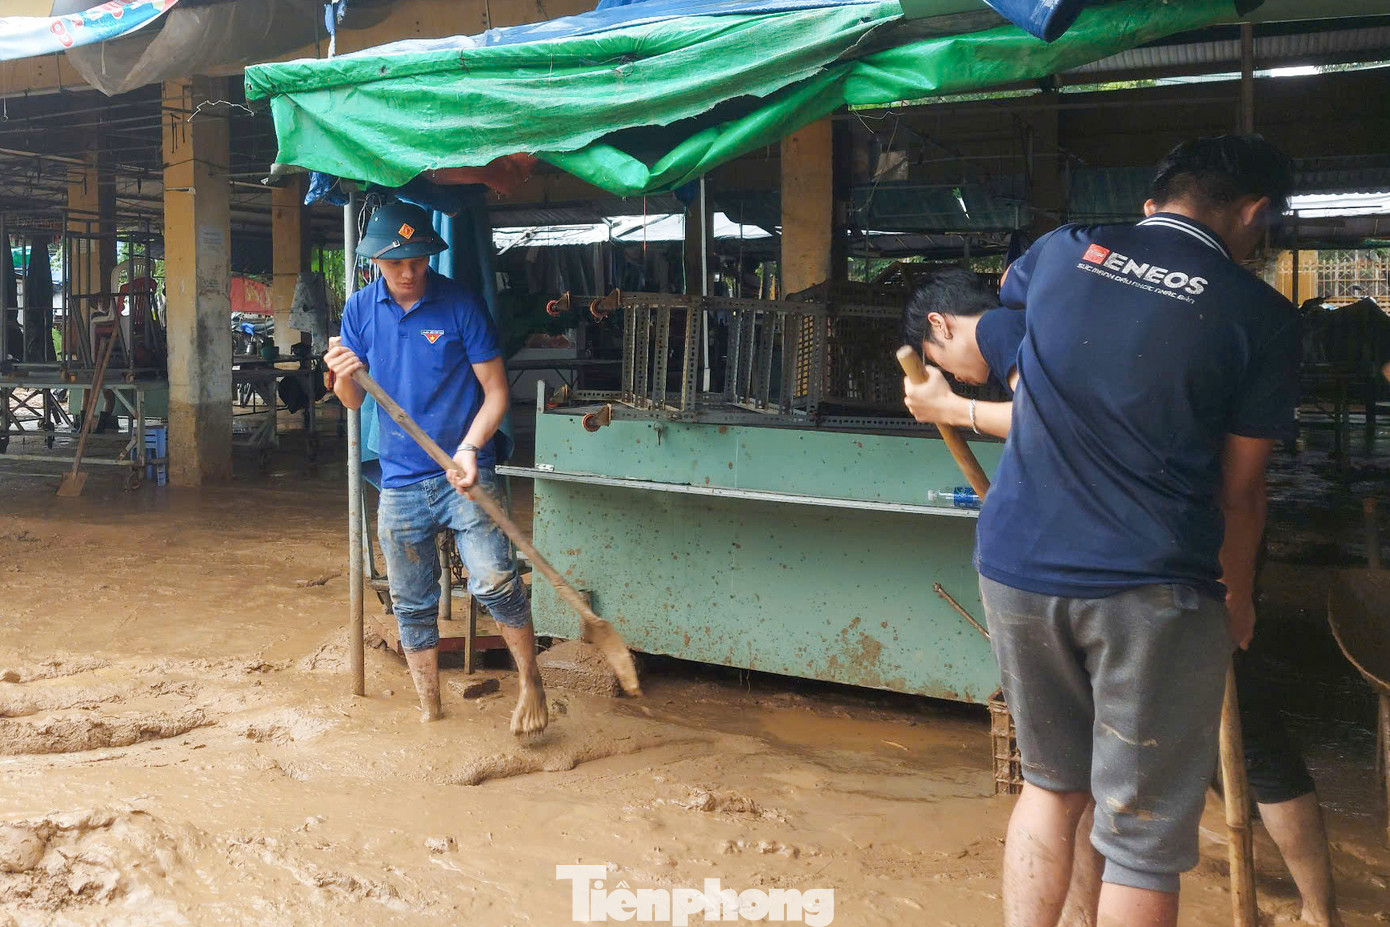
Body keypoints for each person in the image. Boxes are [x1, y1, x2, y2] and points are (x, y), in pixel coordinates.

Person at [902, 268, 1343, 927]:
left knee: (1069, 785)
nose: (962, 378)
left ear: (940, 324)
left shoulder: (1005, 326)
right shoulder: (1131, 324)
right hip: (1172, 558)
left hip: (1134, 565)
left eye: (946, 365)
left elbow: (1043, 420)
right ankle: (1317, 911)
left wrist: (950, 408)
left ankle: (1312, 909)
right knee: (1199, 759)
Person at [962, 135, 1300, 927]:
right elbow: (1240, 491)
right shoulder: (1261, 316)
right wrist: (1236, 597)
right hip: (1150, 584)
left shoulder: (1063, 248)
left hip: (1016, 566)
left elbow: (1006, 301)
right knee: (1141, 839)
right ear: (1253, 212)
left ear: (1158, 199)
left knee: (1050, 787)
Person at [323, 202, 547, 735]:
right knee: (411, 602)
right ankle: (431, 713)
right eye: (396, 263)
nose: (409, 272)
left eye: (419, 261)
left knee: (496, 580)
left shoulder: (461, 304)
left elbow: (496, 393)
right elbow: (352, 401)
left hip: (464, 468)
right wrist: (343, 373)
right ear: (374, 260)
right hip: (401, 479)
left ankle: (531, 683)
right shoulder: (359, 309)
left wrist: (470, 448)